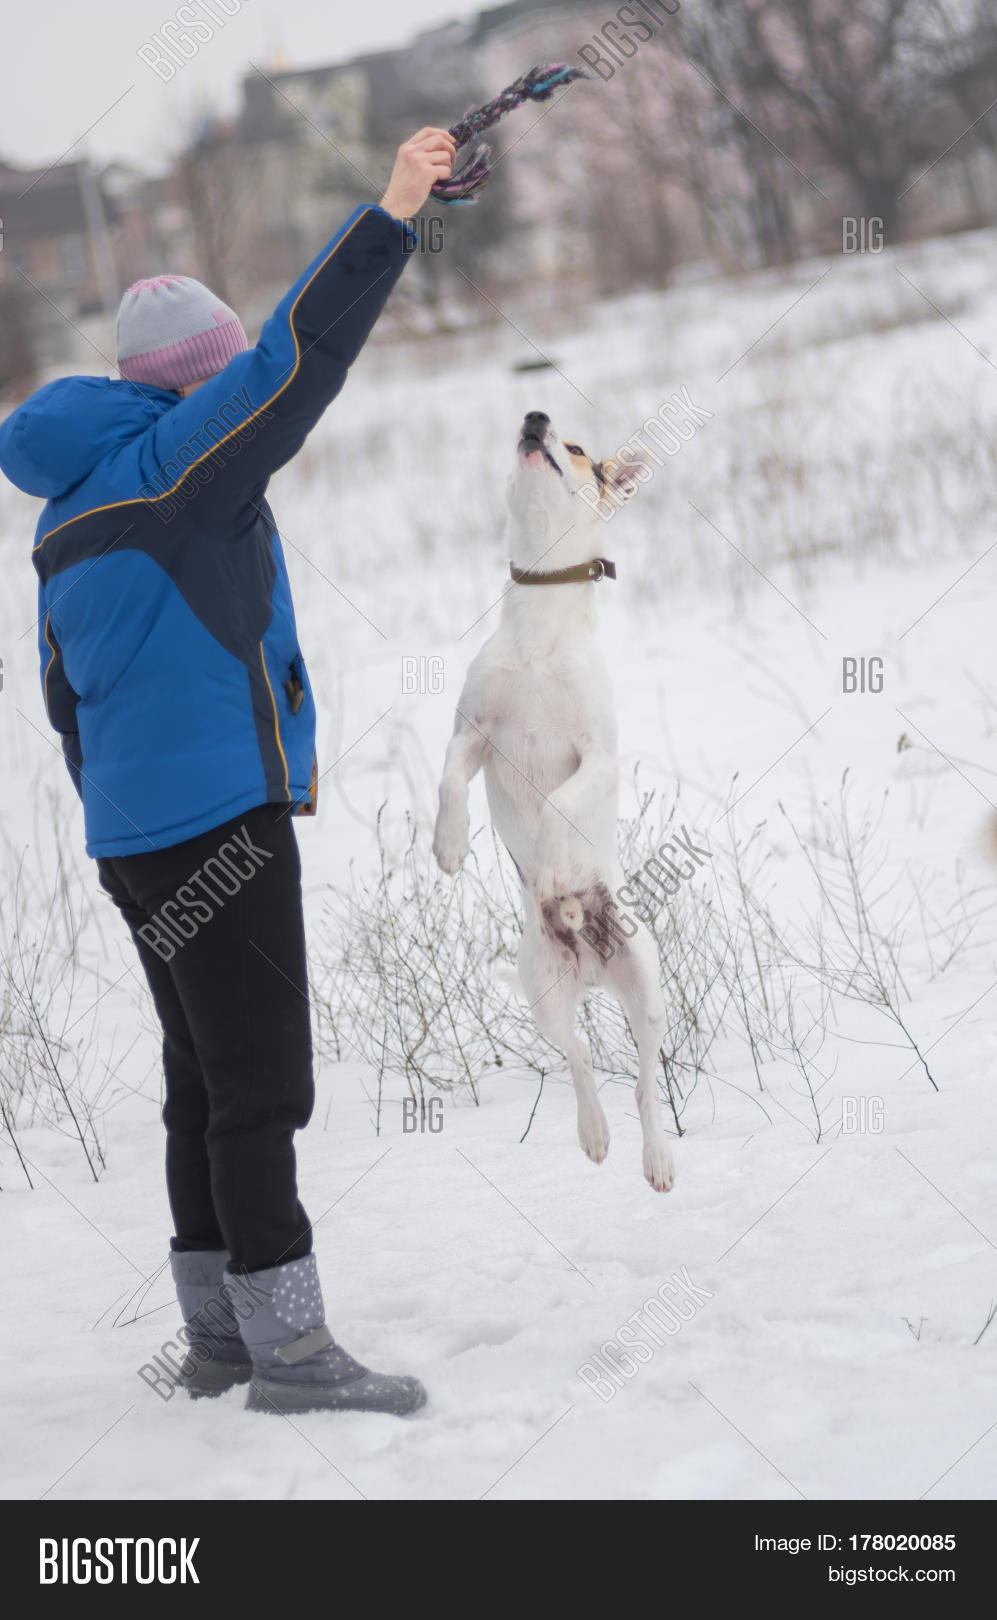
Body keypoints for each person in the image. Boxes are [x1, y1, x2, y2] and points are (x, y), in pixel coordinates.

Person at [0, 126, 457, 1416]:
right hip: (215, 828)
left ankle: (217, 1338)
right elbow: (295, 360)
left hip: (131, 837)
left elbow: (59, 701)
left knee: (200, 1079)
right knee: (263, 1087)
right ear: (190, 390)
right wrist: (394, 212)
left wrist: (123, 805)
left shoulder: (67, 517)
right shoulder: (183, 470)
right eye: (219, 391)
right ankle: (295, 1355)